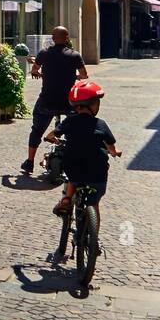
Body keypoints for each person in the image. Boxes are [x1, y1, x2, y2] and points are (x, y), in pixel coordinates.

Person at [47, 80, 121, 226]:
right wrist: (115, 152)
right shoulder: (100, 124)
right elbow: (112, 148)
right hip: (97, 173)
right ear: (93, 105)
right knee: (94, 202)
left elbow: (51, 135)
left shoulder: (69, 121)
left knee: (73, 177)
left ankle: (66, 199)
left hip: (73, 168)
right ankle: (94, 236)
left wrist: (53, 139)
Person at [20, 25, 88, 175]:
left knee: (37, 130)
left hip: (47, 100)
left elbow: (34, 70)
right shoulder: (75, 55)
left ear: (53, 39)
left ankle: (30, 162)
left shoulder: (44, 53)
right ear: (67, 38)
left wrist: (41, 74)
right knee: (74, 131)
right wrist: (75, 76)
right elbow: (84, 75)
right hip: (68, 102)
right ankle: (75, 161)